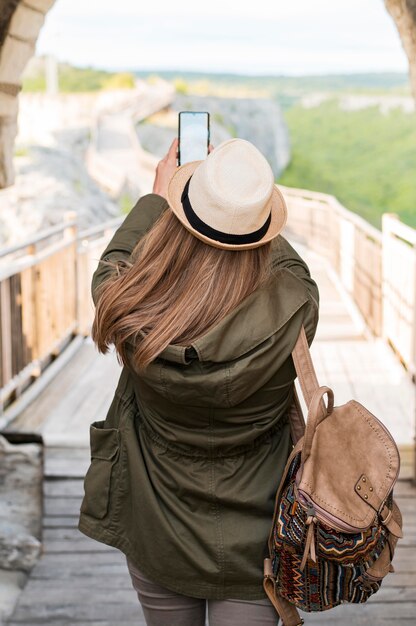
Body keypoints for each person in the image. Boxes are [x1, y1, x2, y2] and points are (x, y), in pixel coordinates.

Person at [78, 137, 319, 626]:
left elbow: (111, 266)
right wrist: (244, 209)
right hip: (258, 537)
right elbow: (289, 266)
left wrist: (159, 199)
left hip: (158, 524)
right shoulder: (298, 307)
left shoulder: (128, 308)